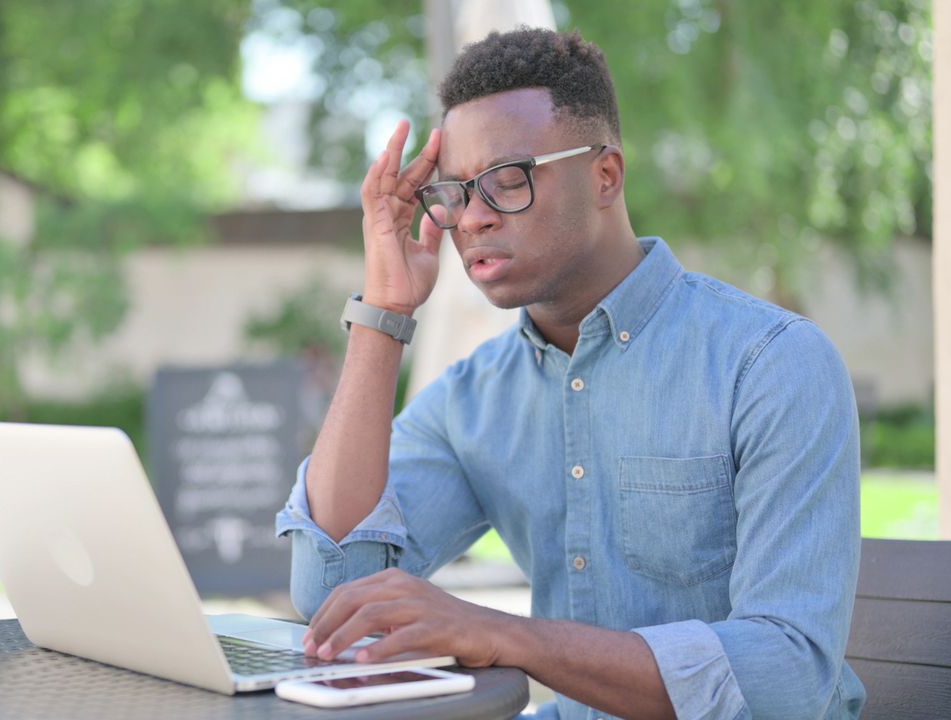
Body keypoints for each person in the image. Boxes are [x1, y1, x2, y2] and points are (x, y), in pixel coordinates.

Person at [275, 27, 865, 720]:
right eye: (457, 191)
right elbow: (332, 591)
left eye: (506, 180)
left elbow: (787, 676)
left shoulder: (771, 365)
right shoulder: (474, 398)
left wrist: (506, 635)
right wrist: (383, 314)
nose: (471, 219)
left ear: (605, 176)